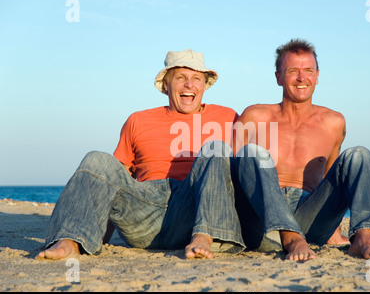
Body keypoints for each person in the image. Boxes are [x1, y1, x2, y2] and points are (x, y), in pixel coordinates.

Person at [36, 49, 244, 260]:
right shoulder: (138, 120)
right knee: (96, 159)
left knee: (215, 149)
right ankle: (71, 240)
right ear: (166, 85)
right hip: (143, 211)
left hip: (194, 211)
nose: (189, 84)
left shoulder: (228, 117)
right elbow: (113, 181)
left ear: (204, 85)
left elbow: (239, 176)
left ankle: (203, 237)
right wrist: (102, 235)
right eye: (181, 77)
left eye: (196, 78)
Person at [232, 39, 370, 261]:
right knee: (253, 154)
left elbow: (333, 180)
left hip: (308, 219)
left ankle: (364, 237)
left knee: (360, 155)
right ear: (278, 77)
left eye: (308, 70)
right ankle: (291, 240)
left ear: (317, 76)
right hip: (262, 224)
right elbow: (233, 176)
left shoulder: (333, 122)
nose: (302, 78)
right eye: (292, 71)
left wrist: (335, 231)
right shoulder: (254, 116)